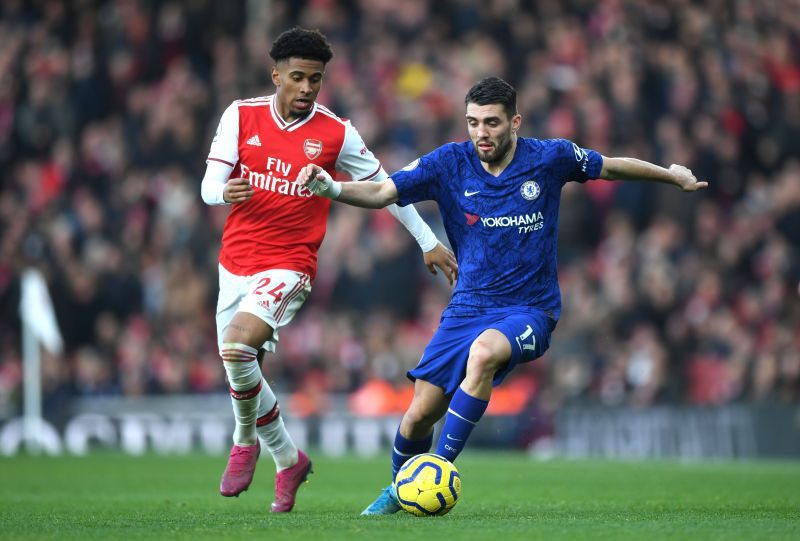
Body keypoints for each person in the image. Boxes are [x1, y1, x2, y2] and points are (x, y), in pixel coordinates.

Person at [297, 76, 708, 515]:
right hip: (468, 306)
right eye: (473, 122)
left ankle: (432, 473)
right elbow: (382, 192)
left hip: (531, 308)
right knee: (418, 415)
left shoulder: (549, 157)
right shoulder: (448, 164)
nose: (481, 133)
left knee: (484, 353)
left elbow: (610, 165)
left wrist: (671, 175)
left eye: (491, 123)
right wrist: (334, 189)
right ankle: (400, 488)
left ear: (514, 122)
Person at [200, 27, 457, 513]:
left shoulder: (337, 132)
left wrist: (428, 241)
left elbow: (387, 188)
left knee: (237, 347)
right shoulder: (241, 115)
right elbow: (209, 185)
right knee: (242, 363)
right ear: (276, 75)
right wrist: (223, 192)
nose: (305, 89)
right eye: (296, 78)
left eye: (314, 80)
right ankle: (289, 460)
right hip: (233, 263)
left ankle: (244, 441)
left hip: (291, 264)